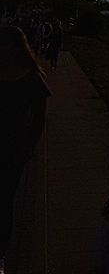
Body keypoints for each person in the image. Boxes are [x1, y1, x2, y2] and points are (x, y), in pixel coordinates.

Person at [0, 25, 50, 266]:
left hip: (13, 148)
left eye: (6, 45)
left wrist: (30, 146)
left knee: (5, 199)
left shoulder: (32, 77)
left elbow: (40, 117)